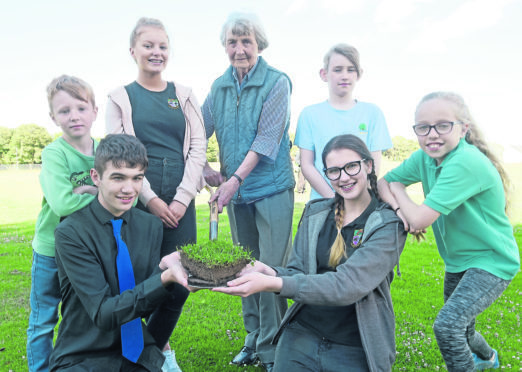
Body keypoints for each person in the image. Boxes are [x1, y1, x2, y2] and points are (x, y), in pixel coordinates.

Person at [215, 134, 407, 372]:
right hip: (301, 337)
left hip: (354, 345)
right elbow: (298, 271)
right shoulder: (316, 213)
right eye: (334, 171)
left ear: (368, 165)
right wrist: (269, 270)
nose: (344, 177)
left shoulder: (387, 224)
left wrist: (272, 283)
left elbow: (346, 285)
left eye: (351, 166)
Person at [377, 92, 520, 371]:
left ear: (463, 128)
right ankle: (489, 358)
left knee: (448, 326)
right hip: (459, 260)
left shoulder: (464, 161)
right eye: (423, 127)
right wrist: (398, 207)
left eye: (443, 125)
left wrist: (398, 191)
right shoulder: (424, 159)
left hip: (492, 261)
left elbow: (418, 219)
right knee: (462, 328)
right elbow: (384, 182)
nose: (432, 134)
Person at [106, 17, 206, 371]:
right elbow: (119, 153)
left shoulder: (184, 95)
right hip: (138, 199)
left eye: (162, 46)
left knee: (181, 282)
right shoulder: (120, 98)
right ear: (133, 51)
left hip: (182, 196)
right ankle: (137, 355)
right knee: (143, 282)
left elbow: (198, 147)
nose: (156, 52)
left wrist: (182, 198)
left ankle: (156, 352)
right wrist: (150, 199)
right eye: (148, 45)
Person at [201, 12, 294, 372]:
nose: (239, 50)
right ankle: (252, 340)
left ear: (259, 45)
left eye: (246, 42)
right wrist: (205, 168)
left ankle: (273, 350)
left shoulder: (276, 82)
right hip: (235, 194)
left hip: (270, 189)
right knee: (241, 269)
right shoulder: (219, 86)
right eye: (232, 42)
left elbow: (267, 139)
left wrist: (232, 180)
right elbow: (199, 130)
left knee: (268, 272)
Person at [49, 134, 189, 372]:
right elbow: (103, 313)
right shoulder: (70, 232)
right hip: (81, 357)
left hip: (138, 356)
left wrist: (174, 276)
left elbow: (145, 296)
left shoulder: (151, 226)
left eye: (137, 178)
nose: (129, 189)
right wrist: (163, 279)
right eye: (118, 177)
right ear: (96, 177)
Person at [26, 75, 99, 372]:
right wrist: (101, 191)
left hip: (89, 249)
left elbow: (128, 197)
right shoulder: (54, 153)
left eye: (81, 108)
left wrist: (85, 189)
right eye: (64, 111)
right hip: (51, 249)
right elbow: (62, 203)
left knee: (84, 316)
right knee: (43, 320)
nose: (74, 116)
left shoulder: (106, 150)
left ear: (95, 110)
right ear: (53, 117)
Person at [295, 43, 392, 200]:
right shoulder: (309, 114)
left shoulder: (373, 113)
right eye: (337, 69)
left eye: (351, 69)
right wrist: (334, 200)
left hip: (361, 204)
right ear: (324, 74)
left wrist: (356, 201)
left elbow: (373, 165)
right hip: (322, 203)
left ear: (359, 74)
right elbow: (307, 165)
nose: (345, 75)